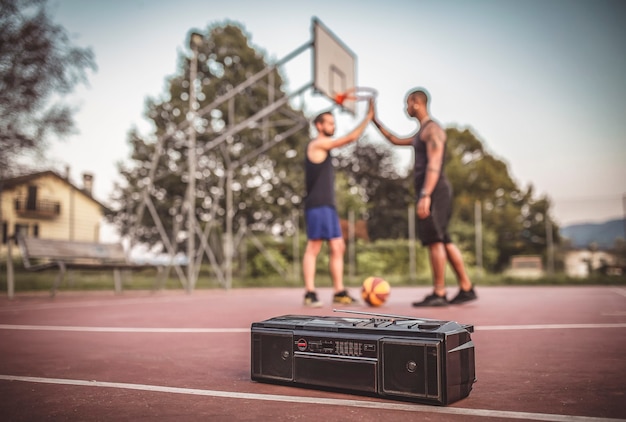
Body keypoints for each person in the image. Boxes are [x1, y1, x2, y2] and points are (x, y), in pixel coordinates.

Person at [372, 88, 477, 306]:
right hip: (434, 190)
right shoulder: (422, 133)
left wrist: (426, 194)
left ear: (417, 103)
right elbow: (394, 140)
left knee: (435, 240)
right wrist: (375, 121)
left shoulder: (433, 130)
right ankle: (466, 287)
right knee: (444, 239)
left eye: (407, 103)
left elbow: (435, 163)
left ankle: (439, 293)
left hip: (434, 190)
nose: (406, 108)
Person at [302, 99, 374, 307]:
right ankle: (310, 293)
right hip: (317, 204)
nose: (333, 127)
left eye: (333, 123)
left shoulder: (323, 147)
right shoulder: (317, 144)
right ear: (319, 126)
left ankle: (339, 291)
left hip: (328, 205)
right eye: (329, 123)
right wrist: (368, 117)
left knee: (338, 245)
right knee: (314, 247)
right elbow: (350, 138)